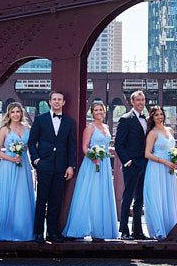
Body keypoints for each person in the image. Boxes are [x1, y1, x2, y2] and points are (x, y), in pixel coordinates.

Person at [63, 102, 119, 241]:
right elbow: (85, 147)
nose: (99, 112)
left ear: (104, 111)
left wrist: (110, 151)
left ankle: (100, 230)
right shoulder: (90, 127)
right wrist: (92, 156)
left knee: (101, 194)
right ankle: (80, 229)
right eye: (96, 110)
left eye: (101, 109)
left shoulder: (106, 127)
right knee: (89, 194)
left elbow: (106, 145)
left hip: (104, 163)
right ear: (92, 113)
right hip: (92, 163)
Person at [29, 90, 76, 243]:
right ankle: (38, 233)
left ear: (63, 102)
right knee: (41, 200)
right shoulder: (40, 119)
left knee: (56, 201)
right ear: (49, 102)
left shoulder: (69, 122)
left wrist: (71, 166)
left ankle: (53, 233)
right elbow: (31, 141)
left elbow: (72, 145)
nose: (56, 102)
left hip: (61, 167)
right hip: (44, 164)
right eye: (54, 99)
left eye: (59, 99)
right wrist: (36, 160)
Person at [0, 102, 35, 242]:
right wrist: (11, 158)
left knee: (23, 196)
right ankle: (6, 231)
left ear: (21, 113)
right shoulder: (4, 130)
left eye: (18, 112)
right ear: (9, 114)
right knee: (9, 195)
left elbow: (31, 147)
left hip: (24, 165)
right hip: (8, 166)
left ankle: (23, 231)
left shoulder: (28, 128)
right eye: (13, 112)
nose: (16, 114)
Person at [143, 106, 177, 240]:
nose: (159, 117)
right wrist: (164, 162)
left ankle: (173, 228)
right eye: (156, 115)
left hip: (169, 169)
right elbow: (147, 154)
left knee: (168, 196)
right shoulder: (152, 133)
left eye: (161, 114)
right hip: (156, 168)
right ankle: (159, 230)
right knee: (157, 197)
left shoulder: (169, 130)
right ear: (152, 118)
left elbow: (172, 149)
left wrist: (176, 159)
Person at [115, 89, 149, 240]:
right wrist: (127, 161)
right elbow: (119, 144)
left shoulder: (147, 119)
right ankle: (124, 230)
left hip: (145, 163)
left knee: (140, 198)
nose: (141, 102)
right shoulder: (125, 119)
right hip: (132, 163)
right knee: (127, 197)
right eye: (138, 100)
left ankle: (138, 231)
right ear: (132, 102)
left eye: (143, 100)